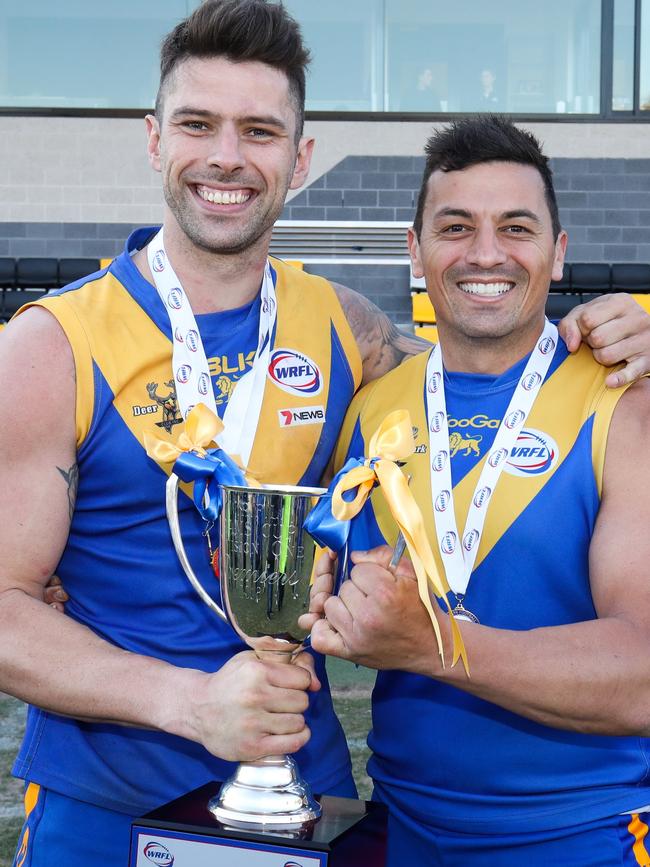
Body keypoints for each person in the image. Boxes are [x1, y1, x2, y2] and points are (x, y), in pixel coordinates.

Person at [1, 2, 648, 860]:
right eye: (200, 124)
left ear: (299, 158)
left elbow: (487, 365)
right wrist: (187, 701)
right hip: (109, 803)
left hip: (311, 797)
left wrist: (622, 336)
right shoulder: (49, 347)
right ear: (155, 139)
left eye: (260, 131)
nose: (228, 157)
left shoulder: (349, 331)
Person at [305, 116, 650, 867]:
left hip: (586, 837)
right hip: (402, 830)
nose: (486, 253)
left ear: (558, 254)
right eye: (455, 226)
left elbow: (644, 673)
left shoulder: (624, 400)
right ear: (415, 251)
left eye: (516, 228)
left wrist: (437, 646)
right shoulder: (370, 404)